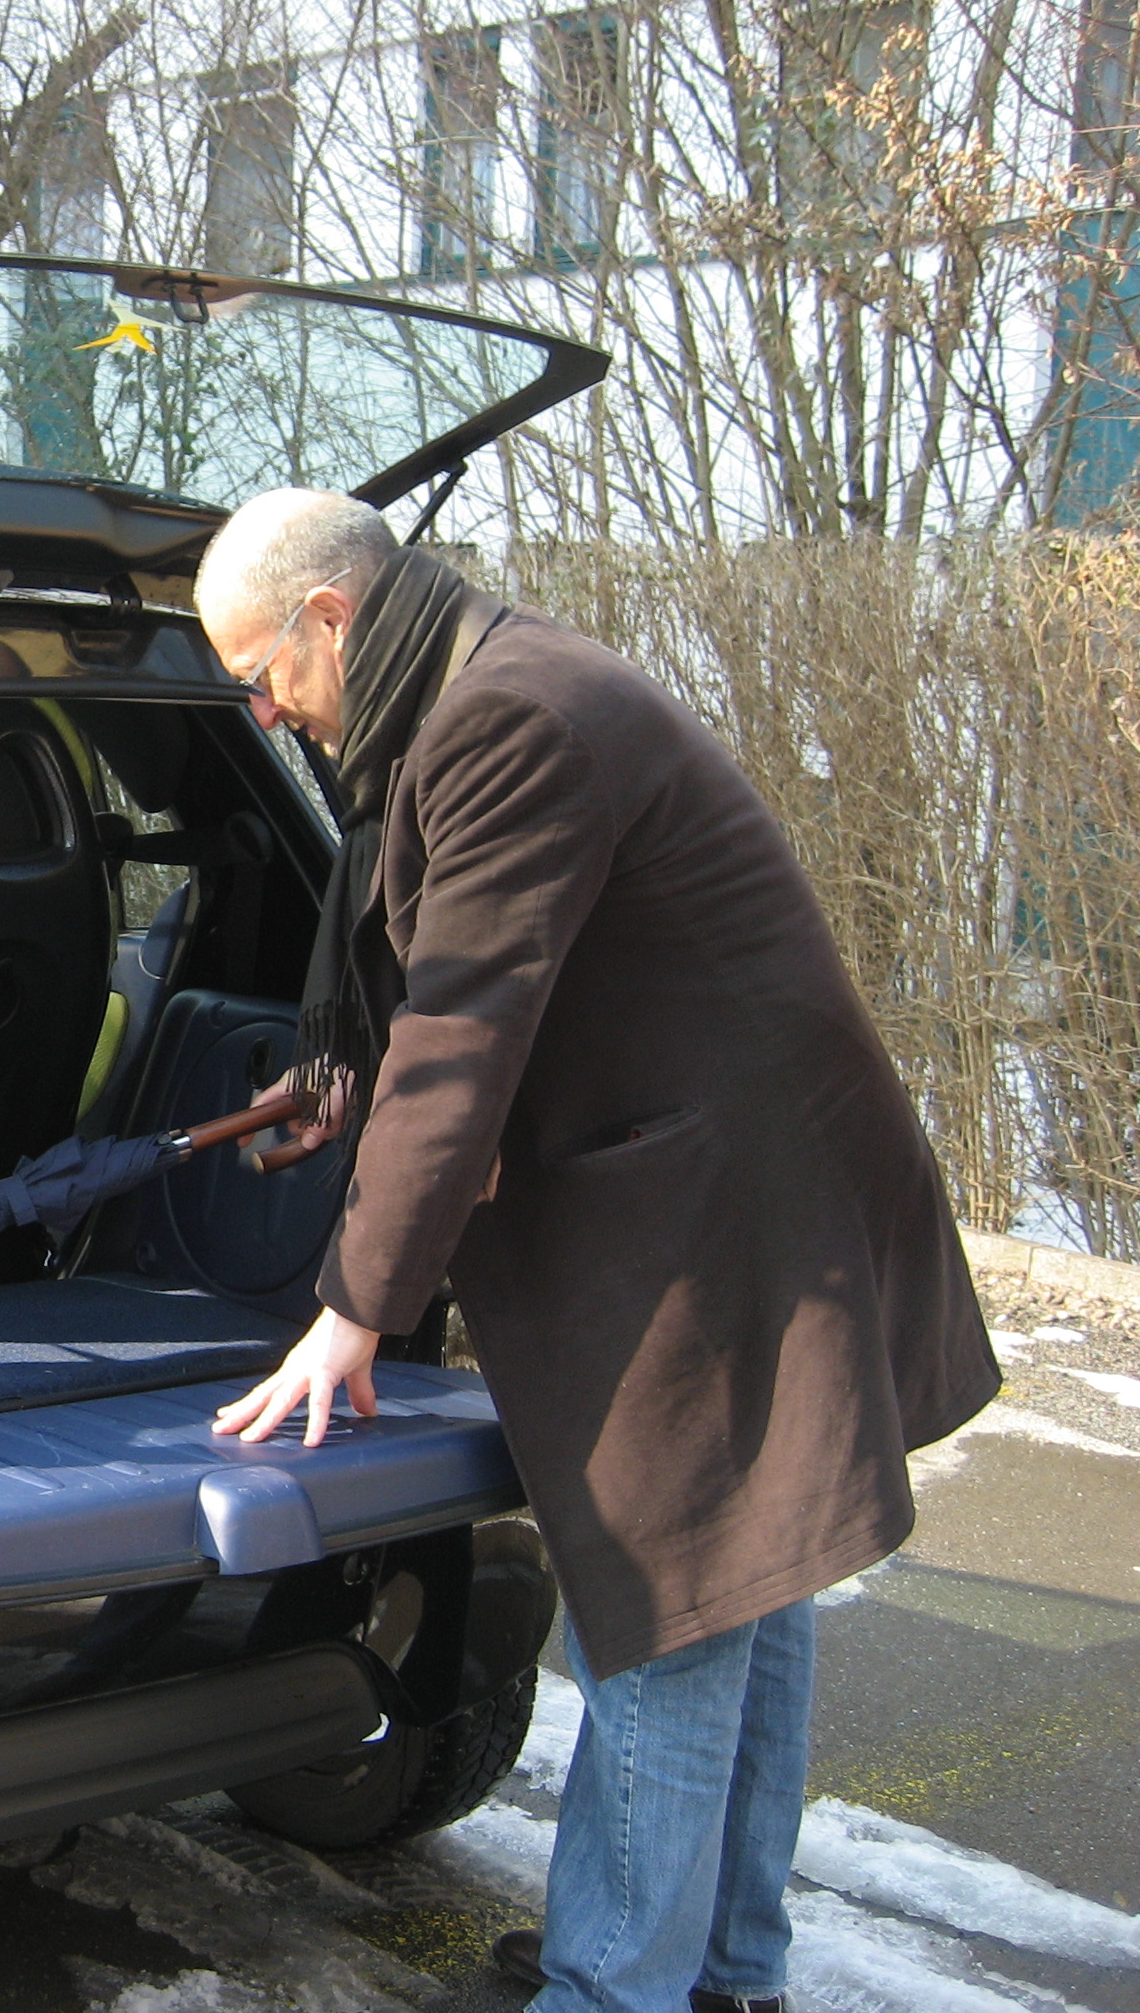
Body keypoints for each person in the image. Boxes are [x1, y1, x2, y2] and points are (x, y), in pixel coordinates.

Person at [192, 489, 999, 2013]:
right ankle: (728, 1971)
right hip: (743, 1185)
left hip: (722, 1218)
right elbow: (480, 991)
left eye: (261, 673)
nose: (263, 712)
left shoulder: (509, 720)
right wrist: (345, 1087)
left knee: (677, 1596)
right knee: (751, 1589)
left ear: (331, 618)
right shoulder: (485, 685)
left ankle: (617, 1987)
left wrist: (354, 1307)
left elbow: (463, 1031)